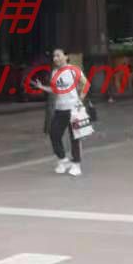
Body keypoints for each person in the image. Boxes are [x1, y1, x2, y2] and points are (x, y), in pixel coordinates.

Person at [32, 48, 88, 177]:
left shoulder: (73, 70)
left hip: (73, 109)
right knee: (54, 134)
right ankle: (63, 159)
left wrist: (80, 99)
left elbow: (86, 84)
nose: (55, 58)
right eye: (54, 56)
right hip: (60, 109)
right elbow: (55, 90)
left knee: (75, 137)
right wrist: (42, 87)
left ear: (66, 56)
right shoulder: (54, 72)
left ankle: (76, 164)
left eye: (58, 55)